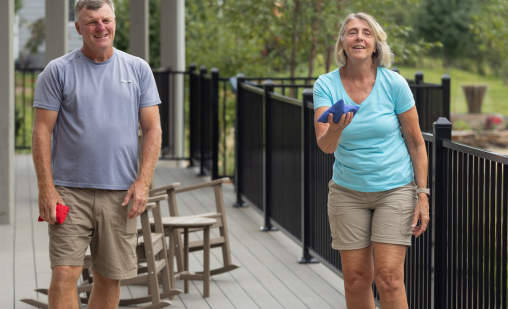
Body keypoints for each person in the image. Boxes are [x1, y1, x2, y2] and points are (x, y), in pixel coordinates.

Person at [31, 0, 162, 308]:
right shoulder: (57, 71)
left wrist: (143, 183)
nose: (100, 27)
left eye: (105, 20)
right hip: (68, 190)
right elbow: (41, 132)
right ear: (78, 28)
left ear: (115, 22)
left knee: (108, 276)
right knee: (64, 273)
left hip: (121, 193)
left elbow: (153, 130)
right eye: (91, 22)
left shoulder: (138, 69)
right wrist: (46, 189)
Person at [313, 12, 430, 309]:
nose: (359, 37)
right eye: (352, 32)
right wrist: (338, 127)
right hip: (347, 191)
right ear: (342, 42)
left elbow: (416, 144)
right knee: (355, 279)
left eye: (366, 32)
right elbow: (325, 145)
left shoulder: (395, 85)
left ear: (376, 43)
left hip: (395, 189)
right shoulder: (325, 85)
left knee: (389, 277)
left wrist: (423, 194)